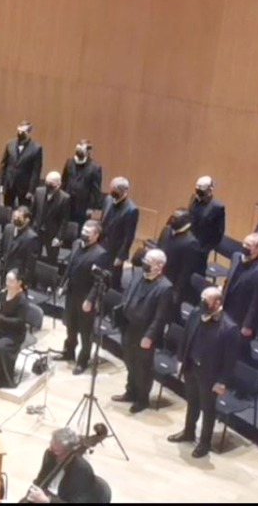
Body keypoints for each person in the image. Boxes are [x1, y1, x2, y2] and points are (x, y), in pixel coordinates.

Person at [168, 287, 240, 459]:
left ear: (217, 302)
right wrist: (180, 359)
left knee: (208, 409)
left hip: (210, 375)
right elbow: (186, 337)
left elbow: (230, 361)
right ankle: (188, 432)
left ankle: (205, 443)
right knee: (192, 402)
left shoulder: (229, 328)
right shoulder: (196, 313)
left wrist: (222, 381)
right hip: (191, 366)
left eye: (205, 300)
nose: (202, 303)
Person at [112, 249, 174, 414]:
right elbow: (128, 295)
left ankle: (142, 399)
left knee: (143, 367)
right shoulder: (138, 274)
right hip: (128, 326)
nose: (145, 264)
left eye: (150, 262)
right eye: (145, 260)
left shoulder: (165, 287)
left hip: (144, 332)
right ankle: (130, 391)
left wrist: (149, 336)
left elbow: (160, 317)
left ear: (159, 266)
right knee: (129, 360)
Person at [60, 221, 109, 374]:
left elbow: (98, 281)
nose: (84, 234)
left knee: (85, 332)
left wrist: (90, 300)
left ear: (96, 235)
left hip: (86, 297)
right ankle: (69, 351)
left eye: (88, 232)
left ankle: (83, 360)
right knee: (71, 325)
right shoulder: (76, 244)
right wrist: (62, 284)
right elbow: (69, 267)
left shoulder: (100, 254)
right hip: (72, 292)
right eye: (83, 230)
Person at [222, 233, 258, 340]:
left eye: (249, 245)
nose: (244, 247)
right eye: (244, 243)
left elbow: (256, 301)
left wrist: (247, 324)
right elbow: (228, 281)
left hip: (241, 315)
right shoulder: (236, 257)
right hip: (225, 307)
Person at [24, 427, 98, 503]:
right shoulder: (50, 454)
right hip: (46, 495)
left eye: (56, 450)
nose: (51, 451)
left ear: (70, 452)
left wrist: (47, 501)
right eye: (51, 446)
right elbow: (40, 480)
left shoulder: (83, 470)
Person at [148, 208, 201, 306]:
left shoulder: (191, 243)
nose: (172, 220)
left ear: (185, 222)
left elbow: (186, 271)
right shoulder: (166, 230)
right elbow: (157, 251)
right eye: (172, 217)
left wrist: (176, 292)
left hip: (171, 283)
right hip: (156, 277)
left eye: (176, 219)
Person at [101, 176, 138, 290]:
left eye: (114, 189)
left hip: (115, 249)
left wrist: (121, 256)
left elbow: (129, 236)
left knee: (113, 280)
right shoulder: (108, 199)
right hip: (102, 244)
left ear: (124, 191)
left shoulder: (131, 210)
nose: (111, 191)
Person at [61, 139, 102, 229]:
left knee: (79, 227)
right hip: (67, 201)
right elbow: (64, 181)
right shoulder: (69, 162)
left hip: (83, 205)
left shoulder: (95, 167)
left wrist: (91, 207)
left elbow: (95, 190)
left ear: (88, 152)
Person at [2, 121, 43, 207]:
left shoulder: (36, 148)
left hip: (24, 187)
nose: (20, 133)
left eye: (22, 132)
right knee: (7, 208)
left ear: (29, 132)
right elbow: (4, 165)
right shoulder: (10, 144)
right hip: (10, 183)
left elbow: (36, 171)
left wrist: (31, 191)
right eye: (18, 131)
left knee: (23, 210)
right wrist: (2, 184)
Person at [33, 171, 72, 263]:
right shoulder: (39, 192)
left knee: (51, 259)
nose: (49, 187)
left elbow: (64, 220)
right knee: (34, 256)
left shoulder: (65, 198)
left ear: (59, 184)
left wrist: (59, 237)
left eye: (52, 185)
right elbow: (33, 212)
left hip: (53, 233)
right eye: (47, 184)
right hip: (37, 230)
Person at [0, 206, 40, 288]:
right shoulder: (8, 228)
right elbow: (0, 250)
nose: (15, 219)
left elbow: (29, 266)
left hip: (17, 278)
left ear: (27, 220)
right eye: (14, 217)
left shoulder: (31, 237)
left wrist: (22, 281)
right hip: (4, 272)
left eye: (19, 218)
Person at [188, 176, 226, 261]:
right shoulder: (193, 198)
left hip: (201, 249)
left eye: (201, 192)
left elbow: (219, 233)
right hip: (188, 243)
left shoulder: (217, 207)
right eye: (197, 191)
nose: (198, 194)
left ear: (210, 190)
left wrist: (205, 250)